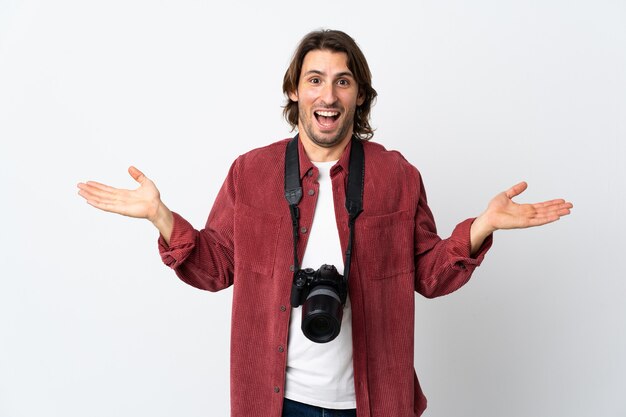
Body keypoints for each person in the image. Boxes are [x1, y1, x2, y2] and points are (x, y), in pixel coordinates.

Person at [77, 29, 573, 417]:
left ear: (360, 95)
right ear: (295, 90)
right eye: (314, 79)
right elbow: (215, 268)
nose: (328, 95)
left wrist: (480, 227)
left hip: (372, 401)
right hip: (273, 402)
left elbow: (427, 274)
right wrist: (162, 219)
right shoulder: (249, 173)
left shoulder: (396, 175)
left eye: (343, 80)